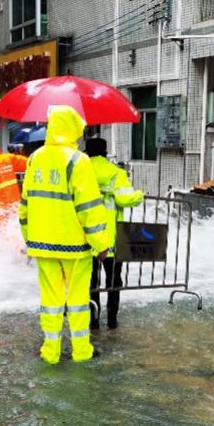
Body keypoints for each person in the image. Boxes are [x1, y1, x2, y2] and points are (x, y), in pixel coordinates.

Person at [19, 105, 110, 365]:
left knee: (50, 301)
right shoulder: (77, 160)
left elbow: (25, 204)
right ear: (71, 129)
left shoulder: (35, 158)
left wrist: (28, 237)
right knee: (78, 301)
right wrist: (101, 243)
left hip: (42, 245)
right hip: (74, 246)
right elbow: (89, 208)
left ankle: (51, 352)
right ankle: (81, 351)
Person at [84, 137, 144, 330]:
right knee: (113, 281)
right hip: (112, 238)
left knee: (90, 282)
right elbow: (126, 198)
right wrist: (140, 194)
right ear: (105, 151)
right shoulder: (116, 173)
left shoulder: (80, 171)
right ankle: (112, 320)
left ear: (87, 151)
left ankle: (93, 320)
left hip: (86, 238)